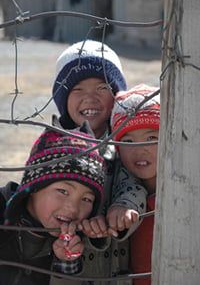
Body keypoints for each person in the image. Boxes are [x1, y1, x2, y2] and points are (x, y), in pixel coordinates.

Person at [50, 41, 147, 285]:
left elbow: (133, 185)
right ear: (63, 98)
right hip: (66, 268)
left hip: (117, 273)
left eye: (102, 87)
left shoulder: (124, 147)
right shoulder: (51, 150)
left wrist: (124, 208)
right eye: (78, 89)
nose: (90, 97)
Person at [0, 121, 106, 285]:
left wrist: (66, 262)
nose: (73, 208)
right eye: (63, 191)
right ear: (33, 187)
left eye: (87, 199)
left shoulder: (81, 242)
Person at [110, 83, 160, 285]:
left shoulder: (188, 193)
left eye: (151, 137)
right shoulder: (113, 193)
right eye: (128, 142)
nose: (140, 150)